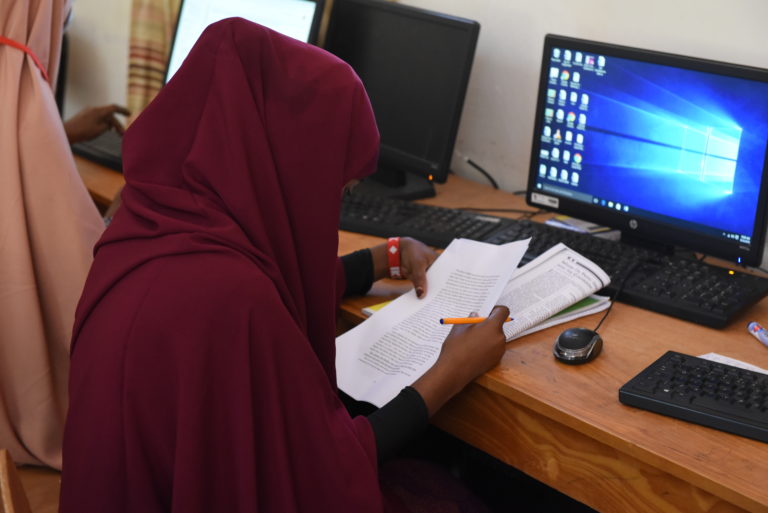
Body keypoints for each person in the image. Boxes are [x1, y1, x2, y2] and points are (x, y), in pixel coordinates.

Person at [59, 17, 510, 512]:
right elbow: (325, 477)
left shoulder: (147, 225)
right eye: (335, 192)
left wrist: (376, 260)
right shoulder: (233, 301)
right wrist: (452, 370)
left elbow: (277, 280)